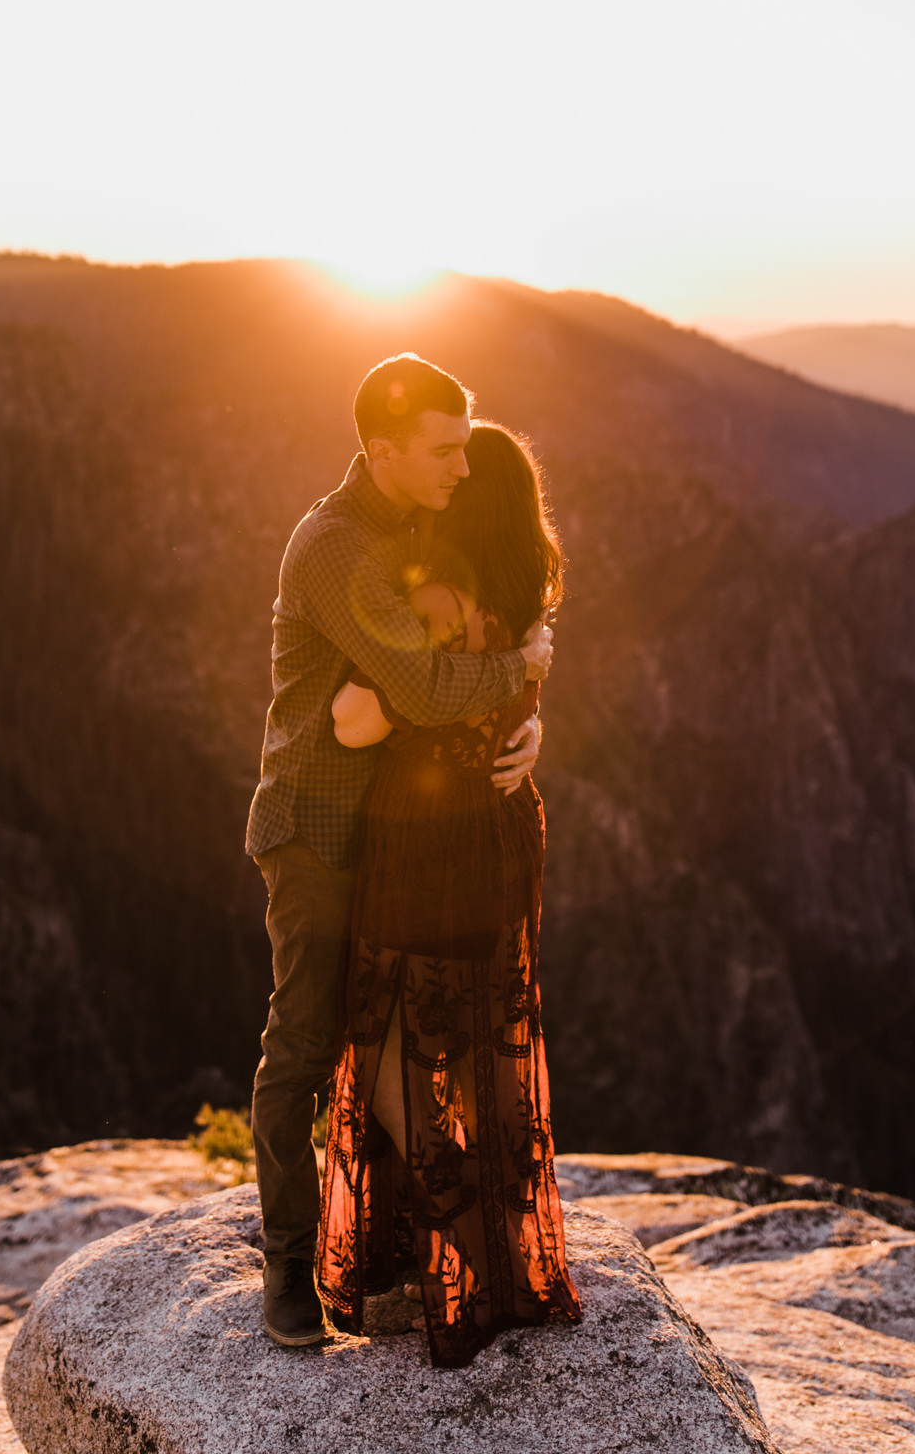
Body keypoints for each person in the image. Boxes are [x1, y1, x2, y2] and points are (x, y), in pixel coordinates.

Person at [247, 355, 554, 1349]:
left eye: (464, 446)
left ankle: (407, 1245)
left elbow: (457, 653)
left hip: (395, 836)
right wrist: (521, 669)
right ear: (381, 450)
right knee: (306, 1042)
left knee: (390, 1035)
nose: (462, 466)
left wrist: (528, 719)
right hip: (320, 832)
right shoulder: (337, 545)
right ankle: (288, 1268)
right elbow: (422, 690)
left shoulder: (414, 526)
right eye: (442, 449)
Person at [316, 422, 581, 1368]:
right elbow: (517, 698)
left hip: (426, 843)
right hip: (503, 826)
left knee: (391, 1036)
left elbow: (352, 722)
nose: (447, 478)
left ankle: (451, 1215)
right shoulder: (522, 598)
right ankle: (500, 1248)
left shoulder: (433, 595)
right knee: (478, 1030)